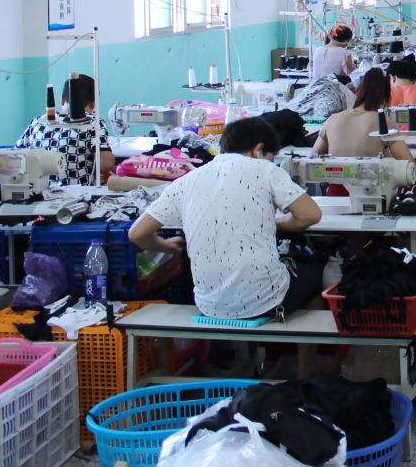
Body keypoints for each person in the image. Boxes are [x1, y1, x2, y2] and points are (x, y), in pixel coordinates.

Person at [130, 116, 325, 321]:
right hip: (264, 300)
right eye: (269, 156)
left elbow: (137, 234)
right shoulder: (265, 169)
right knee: (315, 270)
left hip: (208, 305)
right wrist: (276, 225)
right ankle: (310, 339)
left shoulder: (186, 181)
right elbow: (311, 215)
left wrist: (168, 246)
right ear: (258, 150)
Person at [17, 74, 114, 185]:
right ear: (93, 104)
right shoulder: (93, 122)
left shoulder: (37, 122)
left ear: (62, 100)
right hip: (76, 193)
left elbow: (16, 157)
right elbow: (105, 164)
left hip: (38, 192)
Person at [315, 69, 414, 161]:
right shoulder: (384, 123)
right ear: (385, 98)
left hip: (337, 175)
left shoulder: (332, 120)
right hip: (372, 174)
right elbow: (409, 163)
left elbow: (314, 156)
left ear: (358, 92)